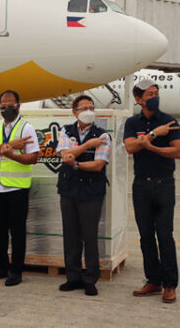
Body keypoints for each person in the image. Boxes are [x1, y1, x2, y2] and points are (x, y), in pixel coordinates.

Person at [124, 79, 180, 304]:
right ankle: (153, 280)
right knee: (146, 236)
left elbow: (178, 152)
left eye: (156, 93)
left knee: (165, 236)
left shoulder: (169, 121)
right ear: (139, 99)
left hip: (164, 185)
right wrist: (152, 135)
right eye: (150, 94)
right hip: (141, 186)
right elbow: (130, 147)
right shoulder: (132, 122)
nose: (154, 97)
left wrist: (150, 145)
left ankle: (170, 284)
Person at [56, 95, 111, 296]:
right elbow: (64, 155)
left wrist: (77, 162)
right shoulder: (66, 131)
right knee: (70, 236)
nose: (88, 110)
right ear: (75, 112)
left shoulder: (103, 135)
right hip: (69, 190)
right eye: (84, 107)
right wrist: (87, 146)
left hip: (91, 192)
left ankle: (90, 279)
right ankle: (73, 277)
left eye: (91, 107)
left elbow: (98, 165)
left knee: (90, 236)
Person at [0, 90, 39, 286]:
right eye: (3, 106)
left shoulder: (27, 128)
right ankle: (0, 267)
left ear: (19, 106)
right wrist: (9, 145)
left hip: (17, 188)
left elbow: (33, 157)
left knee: (17, 231)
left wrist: (10, 153)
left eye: (10, 105)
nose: (6, 109)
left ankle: (16, 271)